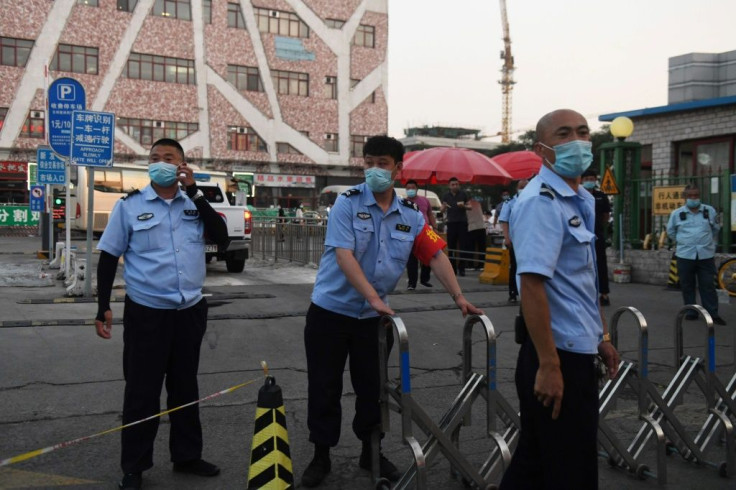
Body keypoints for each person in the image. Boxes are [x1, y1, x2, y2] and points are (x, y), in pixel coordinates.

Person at [301, 136, 483, 488]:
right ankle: (320, 454)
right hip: (331, 314)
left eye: (383, 163)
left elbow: (435, 255)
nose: (374, 169)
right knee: (323, 387)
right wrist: (372, 296)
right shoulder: (347, 204)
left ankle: (372, 452)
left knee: (373, 390)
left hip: (372, 320)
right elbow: (344, 255)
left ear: (399, 168)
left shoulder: (412, 216)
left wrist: (458, 297)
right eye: (369, 162)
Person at [94, 138, 229, 490]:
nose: (161, 163)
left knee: (185, 387)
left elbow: (222, 239)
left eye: (169, 158)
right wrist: (103, 306)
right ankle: (134, 466)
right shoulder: (130, 206)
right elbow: (109, 256)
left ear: (183, 165)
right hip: (147, 313)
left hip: (189, 311)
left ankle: (187, 456)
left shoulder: (194, 204)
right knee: (142, 391)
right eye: (155, 158)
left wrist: (195, 191)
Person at [500, 109, 620, 489]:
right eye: (564, 134)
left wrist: (601, 337)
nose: (577, 140)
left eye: (583, 132)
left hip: (576, 348)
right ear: (542, 149)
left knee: (537, 463)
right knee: (570, 470)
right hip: (555, 354)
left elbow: (581, 281)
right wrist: (550, 366)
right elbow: (531, 286)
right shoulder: (541, 202)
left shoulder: (581, 198)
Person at [666, 183, 726, 325]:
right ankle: (691, 311)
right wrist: (684, 241)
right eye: (690, 196)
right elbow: (671, 232)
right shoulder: (677, 214)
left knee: (708, 285)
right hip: (685, 255)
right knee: (687, 285)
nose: (694, 198)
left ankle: (712, 313)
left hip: (705, 255)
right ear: (685, 197)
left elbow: (716, 228)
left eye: (696, 195)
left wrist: (706, 242)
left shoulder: (709, 211)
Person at [581, 169, 612, 306]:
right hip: (581, 236)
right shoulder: (577, 195)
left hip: (597, 235)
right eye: (586, 179)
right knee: (584, 264)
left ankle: (604, 294)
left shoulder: (600, 196)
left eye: (592, 179)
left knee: (600, 264)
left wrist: (599, 228)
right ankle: (585, 293)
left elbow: (606, 215)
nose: (589, 181)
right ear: (582, 180)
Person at [498, 178, 528, 303]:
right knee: (515, 266)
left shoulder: (533, 200)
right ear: (516, 189)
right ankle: (513, 292)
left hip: (529, 239)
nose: (523, 189)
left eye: (525, 187)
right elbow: (504, 220)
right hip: (515, 240)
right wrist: (507, 238)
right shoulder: (510, 202)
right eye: (521, 187)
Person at [404, 179, 437, 289]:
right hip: (411, 232)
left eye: (413, 188)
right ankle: (411, 283)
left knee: (428, 256)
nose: (410, 190)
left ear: (417, 189)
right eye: (408, 188)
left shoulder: (425, 200)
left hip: (425, 230)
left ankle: (424, 279)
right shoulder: (403, 202)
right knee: (412, 259)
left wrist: (435, 227)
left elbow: (430, 214)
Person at [441, 177, 471, 276]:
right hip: (451, 223)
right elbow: (441, 210)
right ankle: (452, 268)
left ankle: (462, 268)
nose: (455, 186)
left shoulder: (463, 194)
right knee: (451, 246)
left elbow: (470, 207)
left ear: (459, 185)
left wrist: (464, 206)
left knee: (463, 246)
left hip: (462, 222)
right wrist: (444, 207)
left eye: (457, 184)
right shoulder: (446, 196)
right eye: (453, 184)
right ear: (449, 186)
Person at [466, 197, 486, 270]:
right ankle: (481, 265)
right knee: (481, 248)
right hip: (482, 226)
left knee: (471, 248)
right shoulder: (477, 202)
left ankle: (470, 265)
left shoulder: (465, 204)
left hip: (472, 227)